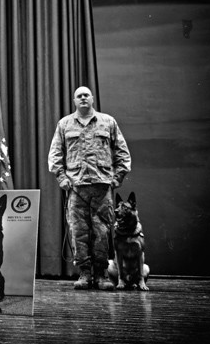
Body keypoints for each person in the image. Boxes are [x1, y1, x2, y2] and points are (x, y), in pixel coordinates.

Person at [48, 86, 131, 291]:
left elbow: (122, 152)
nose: (83, 98)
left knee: (102, 231)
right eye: (79, 96)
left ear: (92, 99)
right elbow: (55, 154)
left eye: (86, 95)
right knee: (79, 232)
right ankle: (85, 274)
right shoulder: (64, 124)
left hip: (102, 188)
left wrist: (117, 177)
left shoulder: (108, 122)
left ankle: (101, 274)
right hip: (76, 188)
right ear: (74, 100)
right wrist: (61, 177)